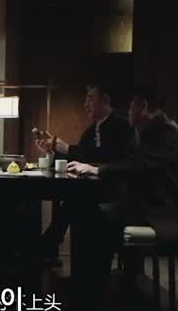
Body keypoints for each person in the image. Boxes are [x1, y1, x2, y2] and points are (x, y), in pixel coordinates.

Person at [65, 85, 178, 311]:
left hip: (168, 213)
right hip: (153, 206)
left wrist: (97, 170)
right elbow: (132, 162)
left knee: (93, 219)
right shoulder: (153, 130)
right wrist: (95, 168)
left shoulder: (167, 132)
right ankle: (91, 293)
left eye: (131, 107)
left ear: (143, 107)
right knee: (87, 212)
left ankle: (92, 299)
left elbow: (139, 165)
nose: (128, 111)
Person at [34, 83, 137, 266]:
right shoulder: (90, 132)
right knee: (72, 199)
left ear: (105, 100)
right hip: (93, 191)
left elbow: (112, 157)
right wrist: (51, 151)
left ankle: (48, 247)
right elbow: (78, 157)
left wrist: (68, 149)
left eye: (90, 98)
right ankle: (49, 248)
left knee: (74, 201)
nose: (85, 104)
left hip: (118, 192)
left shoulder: (123, 126)